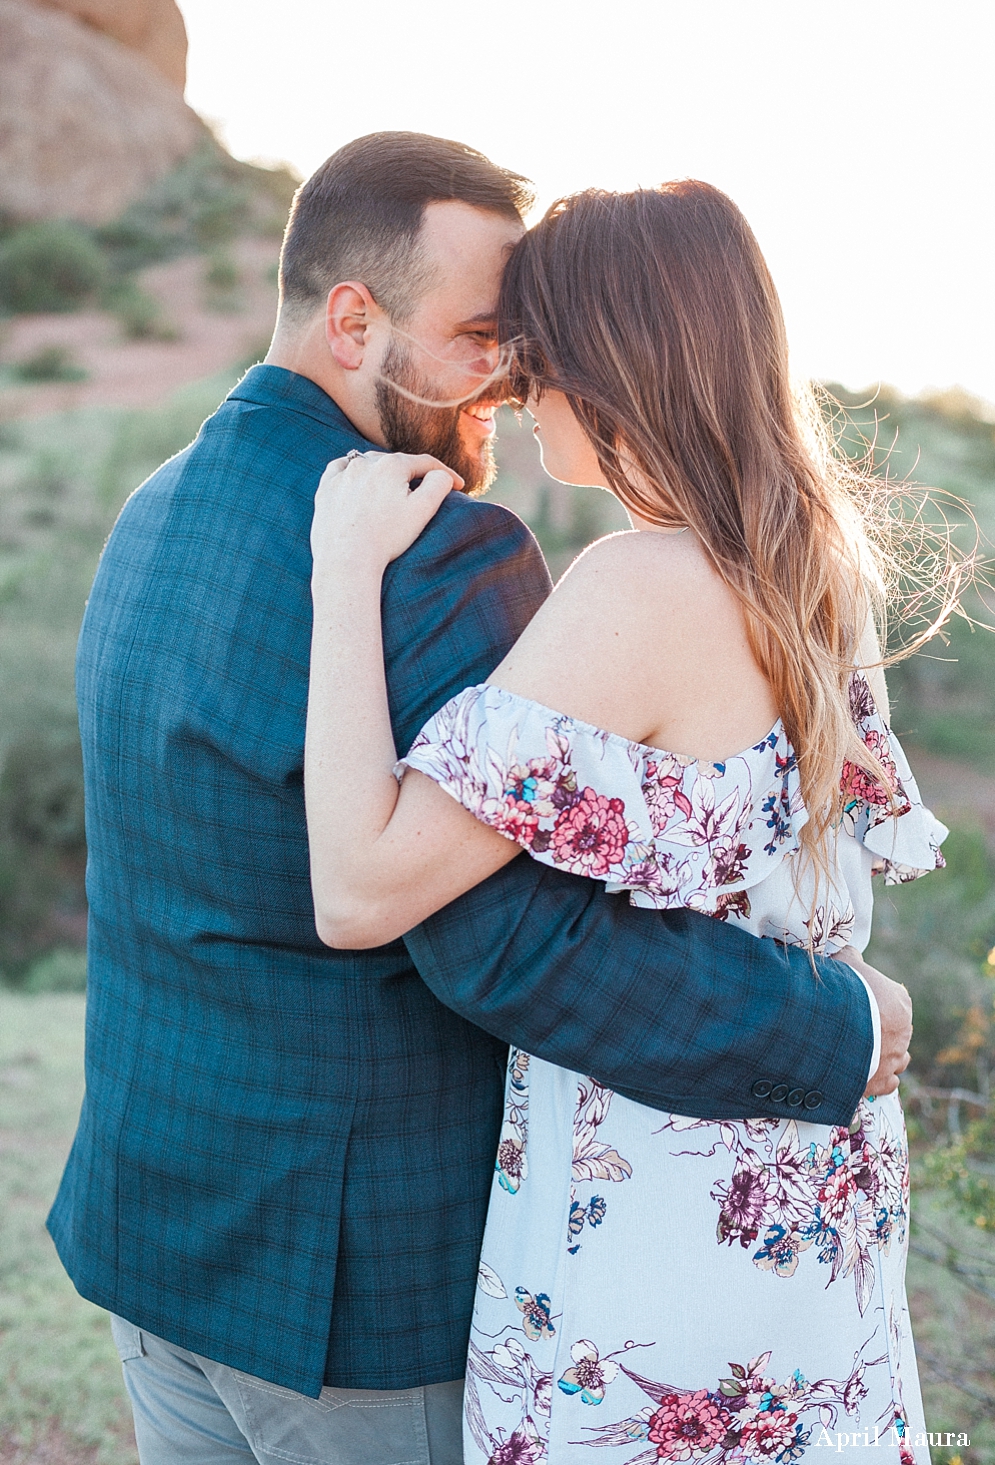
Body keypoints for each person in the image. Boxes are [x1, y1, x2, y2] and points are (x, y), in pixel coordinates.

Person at [49, 134, 908, 1465]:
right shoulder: (445, 549)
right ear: (354, 320)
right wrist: (832, 1026)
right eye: (481, 335)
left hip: (158, 1239)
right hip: (351, 1283)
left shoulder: (156, 509)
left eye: (530, 342)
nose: (506, 380)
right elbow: (502, 939)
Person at [303, 182, 948, 1463]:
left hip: (660, 1194)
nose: (507, 396)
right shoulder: (819, 560)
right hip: (805, 1188)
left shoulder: (642, 585)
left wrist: (341, 567)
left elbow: (359, 887)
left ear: (605, 366)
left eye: (528, 357)